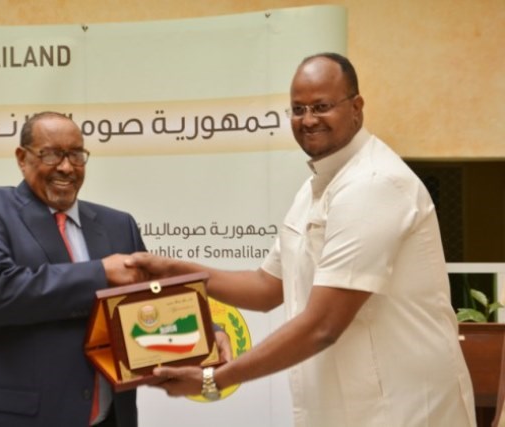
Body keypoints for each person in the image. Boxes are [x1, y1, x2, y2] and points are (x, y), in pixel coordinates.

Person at [128, 53, 477, 427]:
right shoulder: (316, 188)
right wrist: (174, 272)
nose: (308, 119)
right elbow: (265, 287)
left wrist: (215, 379)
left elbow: (323, 324)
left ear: (356, 107)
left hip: (401, 409)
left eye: (321, 106)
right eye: (298, 109)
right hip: (343, 408)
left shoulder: (375, 184)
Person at [0, 111, 148, 427]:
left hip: (108, 418)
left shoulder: (118, 224)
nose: (67, 167)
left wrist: (204, 335)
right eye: (52, 154)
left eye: (76, 155)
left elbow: (149, 303)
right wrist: (101, 273)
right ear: (22, 158)